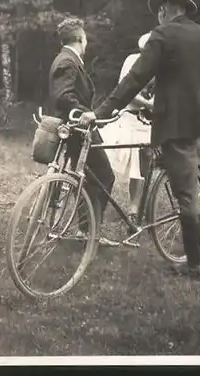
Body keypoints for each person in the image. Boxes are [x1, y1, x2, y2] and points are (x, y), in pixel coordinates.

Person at [78, 0, 200, 279]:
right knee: (175, 176)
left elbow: (134, 78)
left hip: (175, 123)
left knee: (185, 197)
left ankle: (195, 266)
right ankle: (145, 212)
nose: (159, 13)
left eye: (161, 8)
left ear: (168, 7)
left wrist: (101, 112)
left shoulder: (164, 34)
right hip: (198, 119)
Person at [48, 17, 118, 246]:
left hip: (77, 129)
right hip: (79, 130)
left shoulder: (66, 59)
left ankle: (85, 230)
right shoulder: (68, 61)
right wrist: (86, 115)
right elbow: (63, 96)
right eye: (85, 39)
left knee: (89, 179)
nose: (87, 43)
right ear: (79, 39)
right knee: (105, 176)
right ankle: (91, 233)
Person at [100, 32, 154, 225]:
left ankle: (134, 209)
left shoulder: (159, 67)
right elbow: (126, 90)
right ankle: (98, 204)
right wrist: (149, 104)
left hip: (146, 122)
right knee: (109, 160)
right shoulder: (132, 61)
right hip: (127, 117)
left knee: (140, 167)